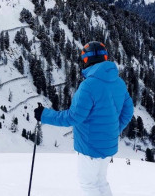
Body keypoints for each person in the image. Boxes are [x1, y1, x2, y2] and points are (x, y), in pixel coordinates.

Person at [34, 41, 134, 196]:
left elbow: (73, 117)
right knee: (100, 182)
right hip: (108, 144)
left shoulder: (89, 85)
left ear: (86, 60)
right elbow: (128, 110)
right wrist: (115, 130)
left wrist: (44, 115)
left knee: (88, 185)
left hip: (90, 147)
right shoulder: (118, 82)